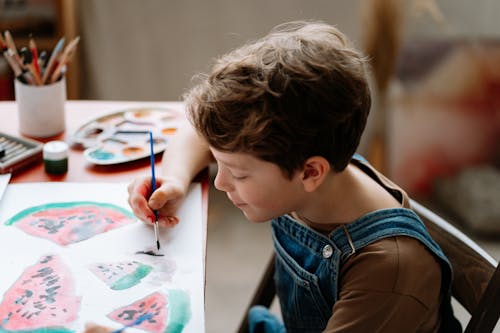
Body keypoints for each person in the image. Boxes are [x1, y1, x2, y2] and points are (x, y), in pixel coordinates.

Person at [125, 21, 462, 333]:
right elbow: (197, 133)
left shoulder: (387, 274)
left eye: (239, 173)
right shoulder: (314, 175)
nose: (220, 182)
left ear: (311, 171)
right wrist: (175, 179)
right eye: (218, 161)